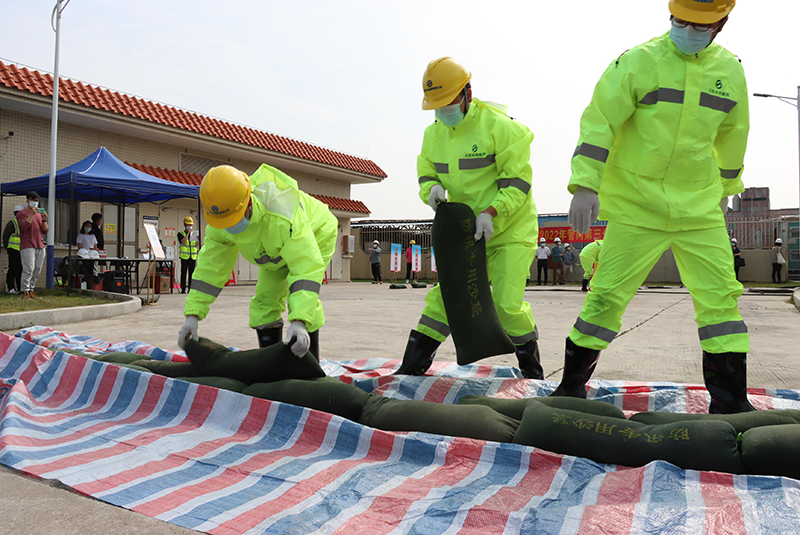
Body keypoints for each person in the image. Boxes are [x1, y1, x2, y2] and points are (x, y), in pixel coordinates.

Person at [554, 0, 755, 414]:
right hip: (637, 205)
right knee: (605, 297)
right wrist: (585, 184)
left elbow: (734, 136)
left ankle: (731, 403)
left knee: (721, 302)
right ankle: (570, 389)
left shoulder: (730, 71)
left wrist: (726, 189)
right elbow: (600, 122)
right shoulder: (637, 62)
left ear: (721, 22)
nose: (688, 29)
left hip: (699, 208)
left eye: (699, 24)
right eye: (682, 20)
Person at [398, 56, 543, 379]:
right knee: (445, 297)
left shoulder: (503, 128)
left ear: (468, 94)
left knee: (506, 305)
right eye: (437, 105)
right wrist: (431, 189)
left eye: (448, 102)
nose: (443, 110)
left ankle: (532, 369)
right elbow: (426, 173)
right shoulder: (433, 135)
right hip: (467, 232)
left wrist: (492, 212)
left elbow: (517, 183)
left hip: (509, 230)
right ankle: (412, 365)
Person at [178, 164, 337, 361]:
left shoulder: (282, 216)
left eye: (233, 219)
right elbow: (210, 268)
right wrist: (192, 315)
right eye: (223, 222)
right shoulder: (220, 222)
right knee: (264, 304)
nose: (229, 226)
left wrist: (300, 321)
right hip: (273, 250)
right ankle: (272, 364)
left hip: (317, 232)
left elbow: (305, 267)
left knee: (303, 298)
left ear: (248, 203)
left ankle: (310, 365)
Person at [16, 191, 49, 299]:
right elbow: (23, 227)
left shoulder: (39, 214)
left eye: (37, 201)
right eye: (33, 200)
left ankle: (31, 288)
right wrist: (31, 214)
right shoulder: (21, 213)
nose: (35, 203)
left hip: (39, 244)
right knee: (29, 268)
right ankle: (25, 290)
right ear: (28, 200)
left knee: (37, 269)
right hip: (27, 244)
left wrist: (44, 219)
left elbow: (45, 230)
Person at [3, 204, 24, 294]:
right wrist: (7, 248)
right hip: (13, 249)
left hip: (22, 249)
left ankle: (20, 288)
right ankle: (11, 288)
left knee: (21, 269)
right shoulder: (13, 223)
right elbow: (5, 237)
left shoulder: (25, 223)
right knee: (13, 268)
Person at [178, 216, 198, 294]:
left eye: (191, 225)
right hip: (184, 257)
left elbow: (197, 245)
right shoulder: (180, 234)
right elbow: (183, 241)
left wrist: (198, 239)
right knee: (183, 273)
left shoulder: (194, 234)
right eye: (188, 225)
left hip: (192, 256)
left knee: (191, 274)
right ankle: (183, 289)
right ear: (184, 225)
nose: (190, 226)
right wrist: (188, 234)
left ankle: (190, 289)